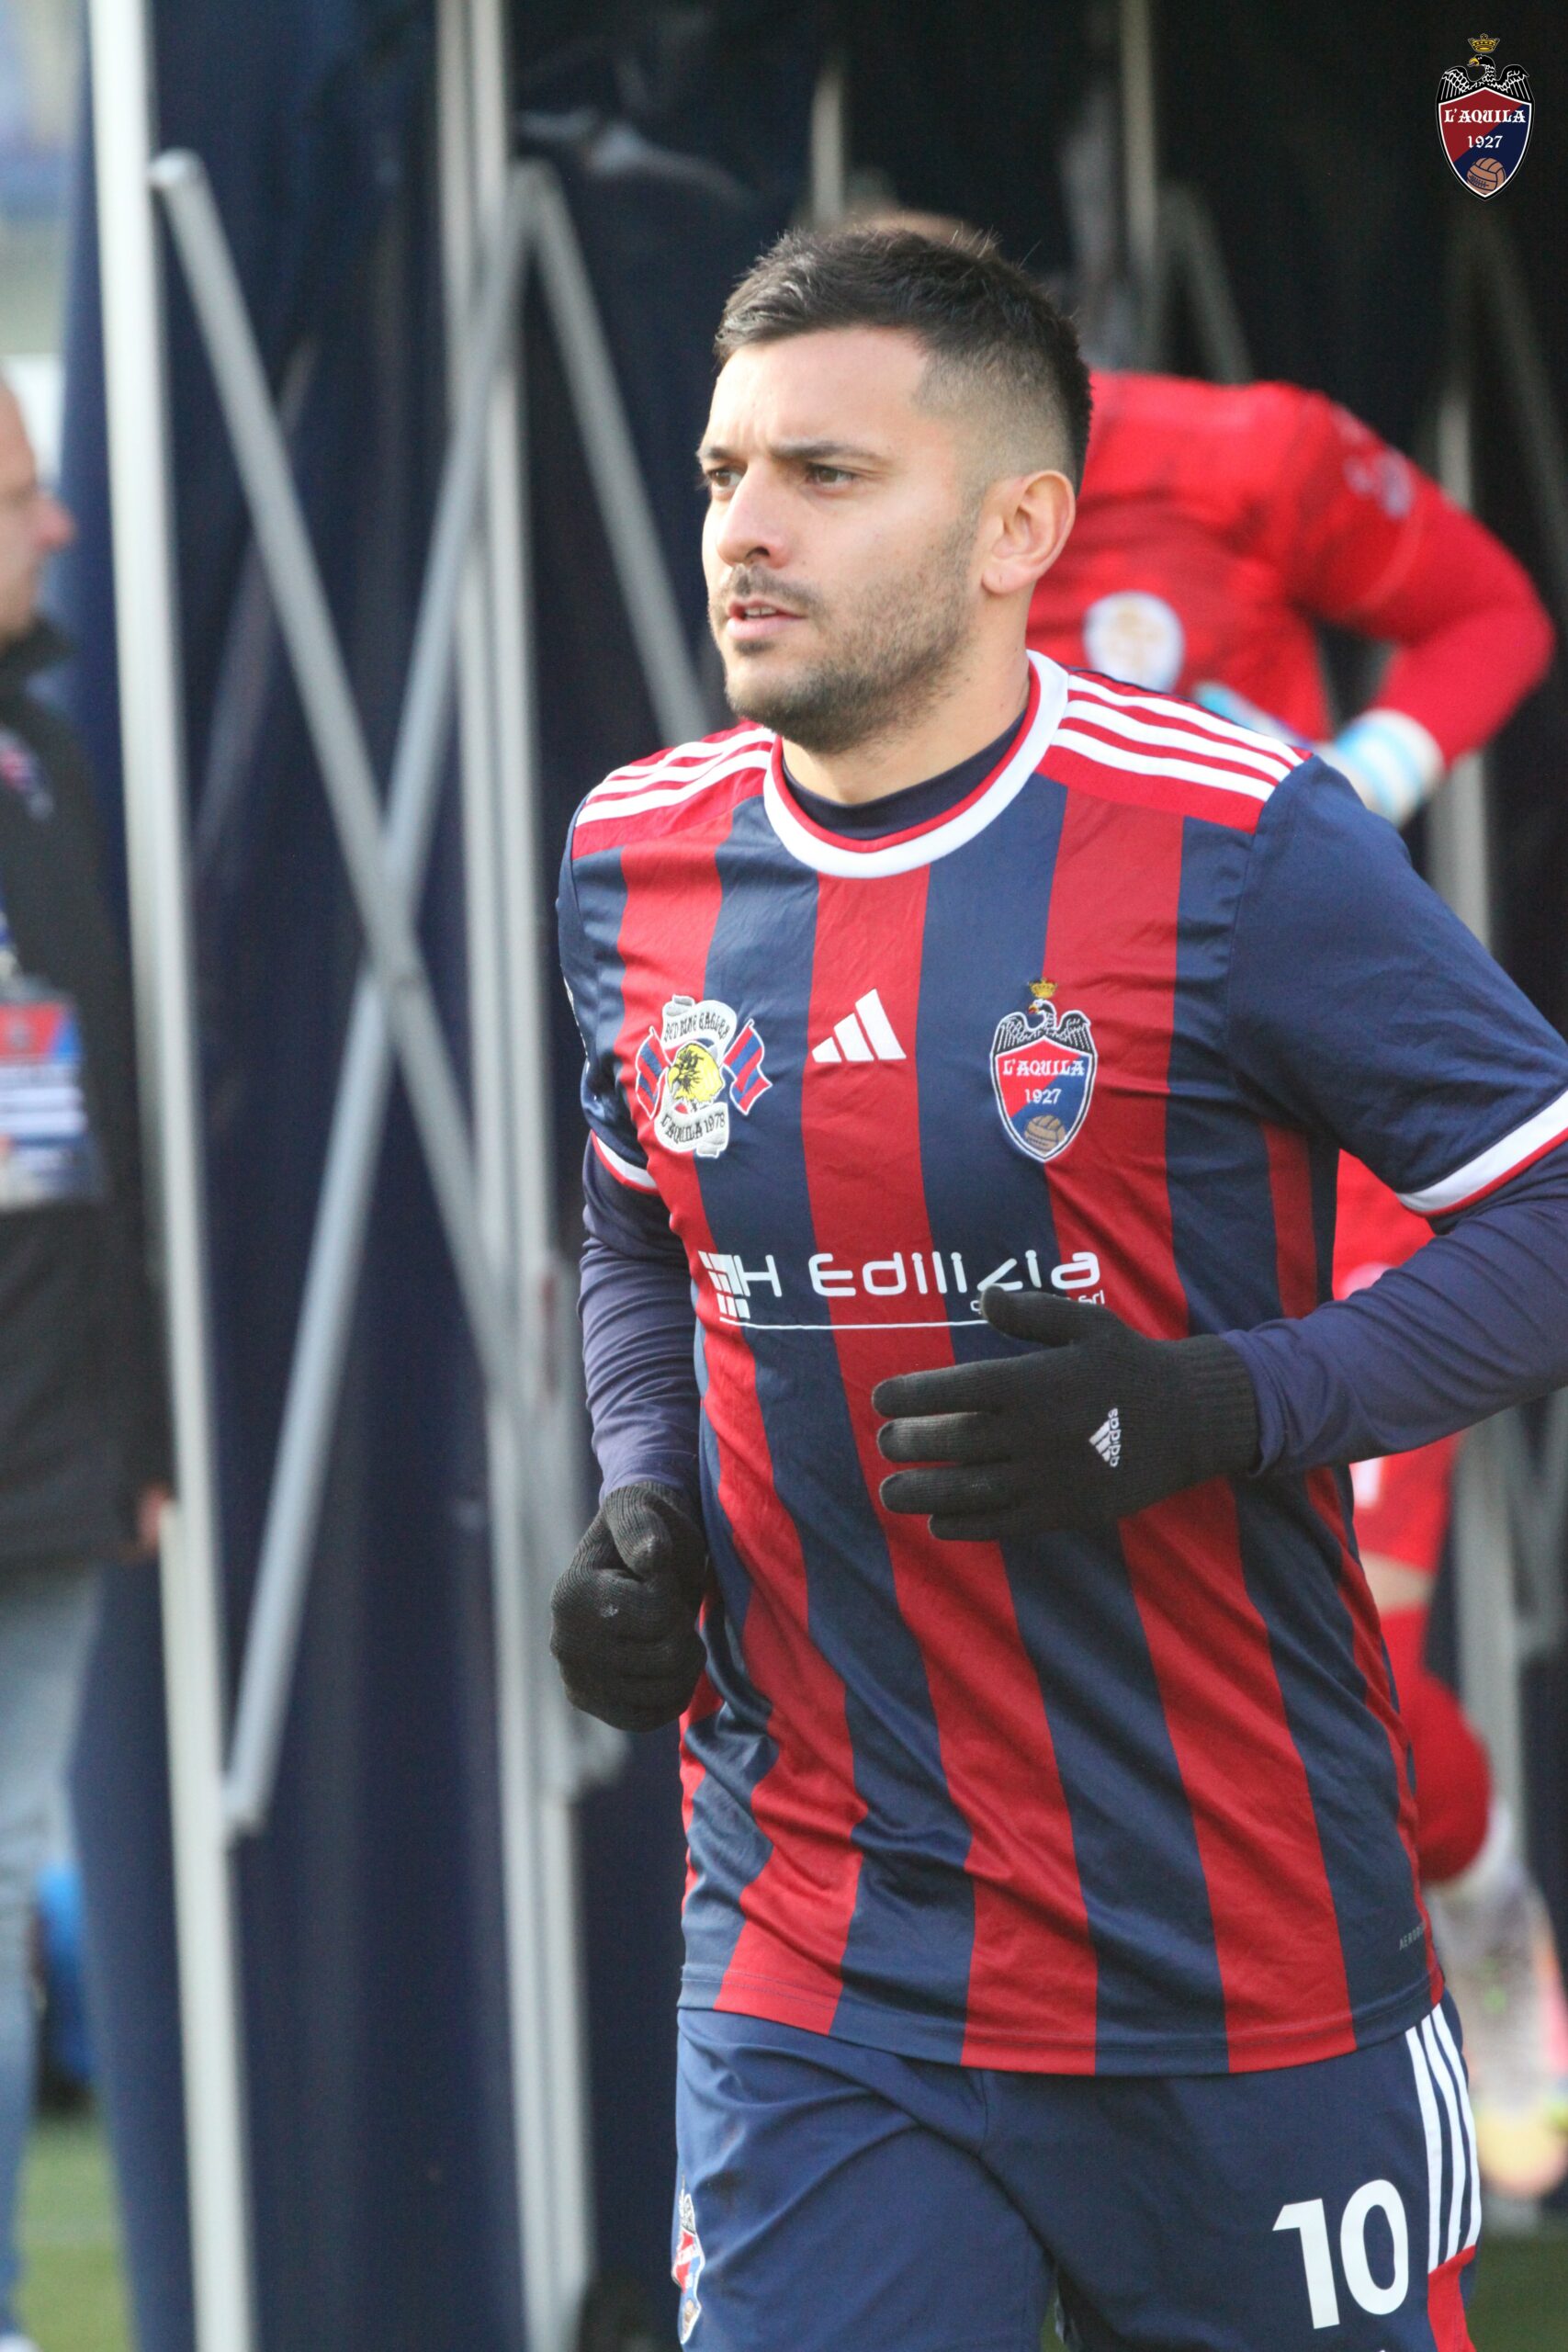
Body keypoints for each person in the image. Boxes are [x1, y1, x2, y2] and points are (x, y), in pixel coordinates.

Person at [553, 228, 1568, 2350]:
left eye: (825, 475)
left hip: (1233, 1944)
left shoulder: (1238, 841)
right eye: (726, 470)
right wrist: (644, 1489)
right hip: (816, 1932)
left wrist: (1212, 1401)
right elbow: (637, 1223)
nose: (744, 527)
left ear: (1020, 526)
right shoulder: (631, 855)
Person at [1024, 363, 1567, 2199]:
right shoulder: (870, 583)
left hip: (1321, 1171)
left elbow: (1490, 613)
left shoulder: (1238, 452)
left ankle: (1473, 1893)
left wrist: (1373, 771)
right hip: (1086, 1186)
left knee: (1354, 1663)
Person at [0, 377, 169, 2352]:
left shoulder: (41, 747)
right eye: (21, 495)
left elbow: (90, 1121)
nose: (55, 530)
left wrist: (131, 1423)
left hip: (51, 1444)